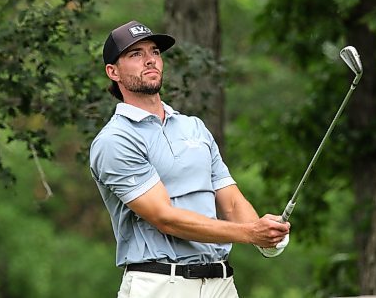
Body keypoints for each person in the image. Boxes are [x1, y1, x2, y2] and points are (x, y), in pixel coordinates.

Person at [89, 20, 290, 298]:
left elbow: (230, 200)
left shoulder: (193, 127)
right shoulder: (116, 140)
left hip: (221, 284)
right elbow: (165, 218)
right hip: (160, 284)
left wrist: (266, 237)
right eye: (136, 54)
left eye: (155, 52)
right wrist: (248, 233)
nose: (150, 60)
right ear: (113, 72)